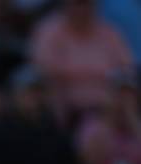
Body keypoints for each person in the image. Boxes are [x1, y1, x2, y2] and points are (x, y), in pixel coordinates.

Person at [30, 0, 133, 129]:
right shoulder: (49, 31)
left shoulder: (110, 32)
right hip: (65, 103)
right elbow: (42, 69)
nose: (82, 9)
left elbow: (127, 70)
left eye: (86, 3)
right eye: (78, 3)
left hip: (107, 105)